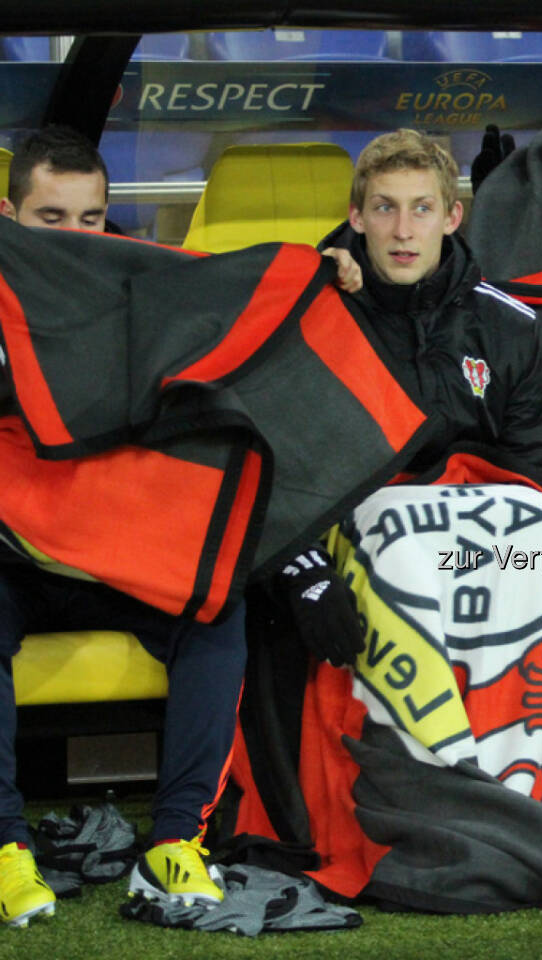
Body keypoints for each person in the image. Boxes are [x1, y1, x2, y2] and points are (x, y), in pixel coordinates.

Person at [277, 128, 542, 673]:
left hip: (483, 550)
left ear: (452, 218)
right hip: (368, 549)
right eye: (384, 208)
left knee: (538, 523)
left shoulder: (509, 327)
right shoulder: (313, 317)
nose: (403, 231)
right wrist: (302, 572)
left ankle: (521, 744)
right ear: (356, 217)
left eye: (422, 209)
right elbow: (277, 472)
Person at [0, 126, 245, 926]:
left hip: (112, 558)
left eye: (91, 221)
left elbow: (252, 314)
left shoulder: (149, 299)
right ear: (7, 216)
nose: (75, 242)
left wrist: (333, 265)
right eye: (51, 220)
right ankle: (6, 849)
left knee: (219, 605)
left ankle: (176, 843)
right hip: (14, 561)